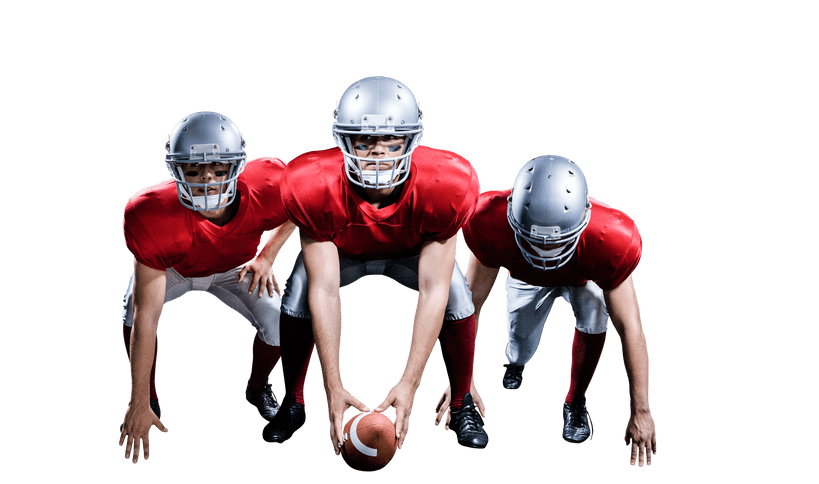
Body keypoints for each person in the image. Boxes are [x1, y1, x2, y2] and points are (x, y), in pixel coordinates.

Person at [261, 75, 490, 453]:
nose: (378, 153)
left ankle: (462, 402)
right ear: (343, 141)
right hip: (342, 252)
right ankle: (294, 401)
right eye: (364, 142)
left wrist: (409, 384)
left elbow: (433, 289)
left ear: (412, 141)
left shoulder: (447, 183)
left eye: (391, 141)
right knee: (300, 288)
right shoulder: (312, 183)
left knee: (454, 289)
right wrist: (333, 386)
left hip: (411, 253)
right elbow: (325, 289)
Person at [434, 154, 657, 467]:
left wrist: (641, 411)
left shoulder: (610, 238)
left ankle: (575, 400)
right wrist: (462, 382)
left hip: (584, 274)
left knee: (596, 312)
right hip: (525, 278)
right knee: (520, 340)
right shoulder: (489, 220)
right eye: (533, 240)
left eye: (556, 242)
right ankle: (515, 363)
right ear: (511, 215)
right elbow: (469, 306)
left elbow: (630, 327)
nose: (545, 252)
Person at [117, 111, 296, 464]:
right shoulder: (150, 212)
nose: (207, 179)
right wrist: (137, 402)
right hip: (173, 268)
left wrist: (268, 255)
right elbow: (147, 317)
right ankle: (148, 396)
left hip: (236, 267)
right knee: (133, 315)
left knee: (281, 324)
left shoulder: (269, 183)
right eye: (195, 169)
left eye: (217, 167)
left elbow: (300, 204)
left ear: (237, 165)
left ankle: (257, 387)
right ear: (176, 169)